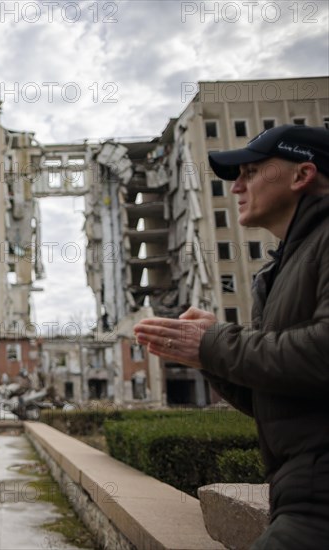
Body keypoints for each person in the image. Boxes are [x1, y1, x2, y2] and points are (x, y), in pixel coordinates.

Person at [134, 125, 329, 549]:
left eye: (252, 171)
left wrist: (214, 343)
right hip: (297, 492)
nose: (237, 186)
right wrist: (208, 358)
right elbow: (274, 397)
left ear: (302, 175)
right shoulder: (279, 271)